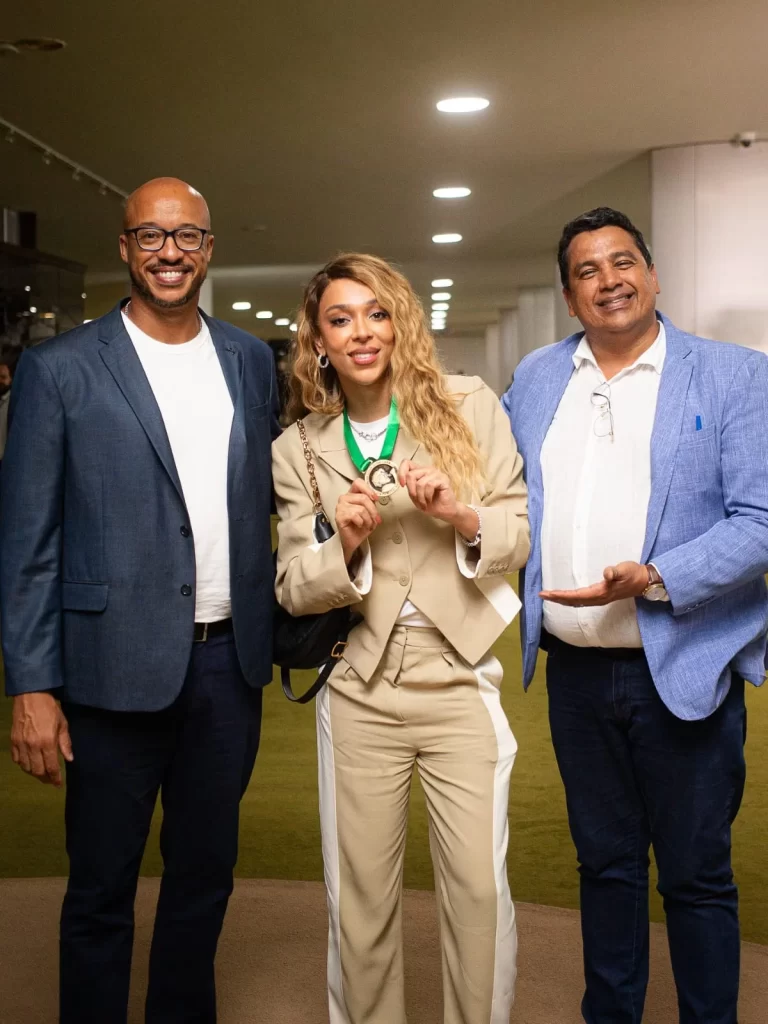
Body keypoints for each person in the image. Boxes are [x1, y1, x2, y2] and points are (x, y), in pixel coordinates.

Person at [0, 177, 280, 1024]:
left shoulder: (249, 360)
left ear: (208, 249)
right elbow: (27, 541)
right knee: (100, 890)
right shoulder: (59, 369)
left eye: (187, 236)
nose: (170, 252)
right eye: (151, 236)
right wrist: (32, 685)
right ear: (124, 248)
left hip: (228, 668)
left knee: (203, 880)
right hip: (108, 668)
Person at [502, 206, 768, 1024]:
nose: (608, 281)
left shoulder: (733, 374)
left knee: (694, 876)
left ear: (652, 275)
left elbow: (760, 519)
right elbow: (507, 498)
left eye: (623, 263)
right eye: (587, 270)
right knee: (605, 868)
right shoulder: (539, 377)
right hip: (578, 676)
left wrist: (653, 576)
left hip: (683, 668)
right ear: (568, 293)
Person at [272, 253, 530, 1024]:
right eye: (340, 319)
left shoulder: (467, 404)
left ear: (400, 322)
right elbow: (291, 583)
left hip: (459, 674)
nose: (361, 333)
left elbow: (516, 529)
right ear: (318, 340)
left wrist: (457, 513)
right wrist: (343, 543)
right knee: (360, 900)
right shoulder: (298, 447)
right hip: (360, 685)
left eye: (376, 314)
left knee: (479, 890)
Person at [0, 350, 16, 464]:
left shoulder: (15, 402)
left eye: (3, 377)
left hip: (8, 461)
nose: (0, 380)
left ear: (10, 380)